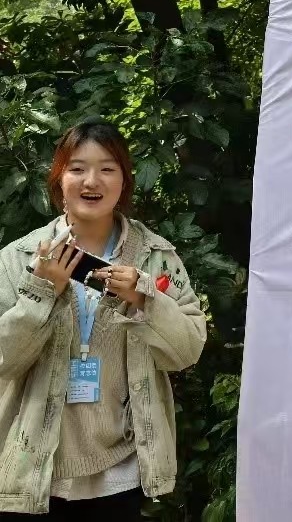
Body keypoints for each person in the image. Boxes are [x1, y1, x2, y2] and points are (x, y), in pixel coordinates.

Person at [0, 118, 207, 518]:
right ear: (59, 179)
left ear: (124, 181)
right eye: (77, 168)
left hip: (120, 472)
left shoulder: (156, 257)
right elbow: (5, 361)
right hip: (33, 472)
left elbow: (187, 351)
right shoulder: (19, 258)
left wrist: (145, 298)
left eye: (107, 169)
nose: (91, 181)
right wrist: (42, 291)